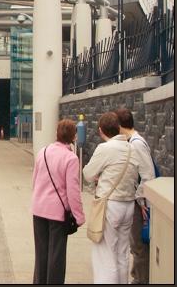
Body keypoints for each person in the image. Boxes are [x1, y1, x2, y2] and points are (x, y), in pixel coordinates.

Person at [82, 112, 153, 284]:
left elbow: (87, 174)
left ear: (101, 130)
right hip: (128, 205)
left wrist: (101, 175)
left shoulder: (105, 149)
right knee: (122, 254)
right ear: (118, 128)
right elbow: (148, 174)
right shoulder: (132, 147)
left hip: (110, 205)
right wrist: (139, 196)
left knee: (105, 255)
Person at [31, 119, 85, 284]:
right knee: (56, 257)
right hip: (57, 215)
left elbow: (35, 180)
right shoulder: (71, 158)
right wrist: (79, 216)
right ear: (74, 137)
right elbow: (73, 191)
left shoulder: (43, 152)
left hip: (38, 209)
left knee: (41, 254)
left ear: (57, 133)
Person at [114, 108, 156, 284]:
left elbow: (147, 174)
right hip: (139, 201)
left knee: (138, 245)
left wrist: (140, 200)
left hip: (140, 204)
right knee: (135, 245)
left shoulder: (136, 144)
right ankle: (137, 277)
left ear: (120, 126)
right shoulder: (134, 141)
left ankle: (140, 280)